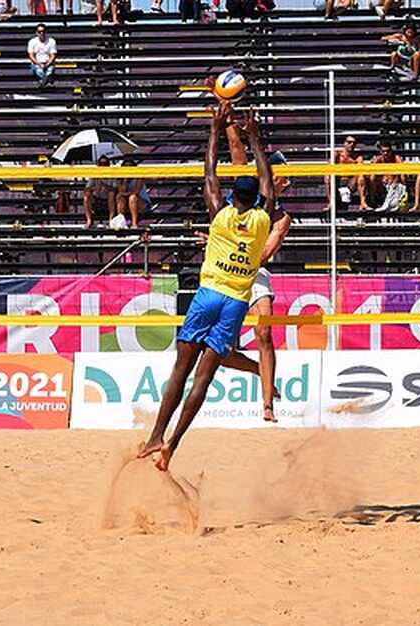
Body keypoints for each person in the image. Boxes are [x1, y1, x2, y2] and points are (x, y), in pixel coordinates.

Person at [139, 103, 281, 471]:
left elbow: (209, 175)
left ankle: (156, 435)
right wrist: (254, 137)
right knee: (204, 377)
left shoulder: (220, 215)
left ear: (235, 198)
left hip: (207, 296)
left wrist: (215, 129)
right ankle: (173, 445)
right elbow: (267, 182)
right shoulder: (264, 219)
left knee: (180, 371)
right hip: (235, 301)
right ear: (259, 202)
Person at [212, 114, 292, 423]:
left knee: (264, 332)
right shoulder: (246, 196)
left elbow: (265, 255)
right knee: (220, 352)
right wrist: (226, 113)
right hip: (228, 272)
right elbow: (234, 145)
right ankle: (261, 373)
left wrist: (234, 247)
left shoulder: (281, 217)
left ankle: (267, 405)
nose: (288, 181)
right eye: (283, 176)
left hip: (251, 270)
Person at [328, 135, 366, 210]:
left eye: (354, 143)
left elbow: (360, 168)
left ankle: (362, 202)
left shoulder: (357, 157)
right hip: (338, 180)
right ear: (344, 143)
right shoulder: (337, 154)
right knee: (327, 176)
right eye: (349, 142)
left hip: (351, 183)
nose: (351, 144)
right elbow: (329, 166)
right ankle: (331, 203)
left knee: (361, 176)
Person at [365, 141, 405, 211]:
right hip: (381, 185)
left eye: (388, 151)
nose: (386, 153)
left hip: (394, 184)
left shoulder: (396, 158)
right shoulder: (378, 159)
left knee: (402, 178)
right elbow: (371, 173)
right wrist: (382, 178)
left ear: (391, 150)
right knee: (372, 177)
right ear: (380, 151)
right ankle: (372, 201)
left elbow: (402, 173)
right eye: (383, 151)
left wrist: (394, 180)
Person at [84, 155, 117, 228]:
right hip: (96, 199)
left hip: (108, 199)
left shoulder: (112, 175)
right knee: (86, 197)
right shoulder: (94, 175)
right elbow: (87, 189)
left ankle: (111, 220)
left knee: (111, 194)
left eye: (105, 164)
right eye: (101, 164)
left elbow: (115, 189)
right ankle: (89, 220)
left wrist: (104, 186)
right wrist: (95, 188)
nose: (103, 166)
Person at [116, 160, 149, 228]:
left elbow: (136, 191)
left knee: (132, 197)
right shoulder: (120, 178)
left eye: (130, 166)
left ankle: (134, 223)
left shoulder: (138, 176)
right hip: (127, 201)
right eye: (126, 166)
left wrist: (125, 194)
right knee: (120, 197)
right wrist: (125, 180)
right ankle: (120, 222)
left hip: (140, 200)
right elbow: (121, 191)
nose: (128, 168)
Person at [27, 24, 57, 88]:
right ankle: (47, 80)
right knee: (39, 70)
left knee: (49, 70)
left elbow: (53, 55)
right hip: (37, 63)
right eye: (39, 32)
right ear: (36, 33)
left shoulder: (51, 41)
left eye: (43, 31)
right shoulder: (32, 41)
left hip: (49, 63)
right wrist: (39, 64)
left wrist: (47, 64)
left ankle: (43, 82)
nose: (41, 33)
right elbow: (31, 56)